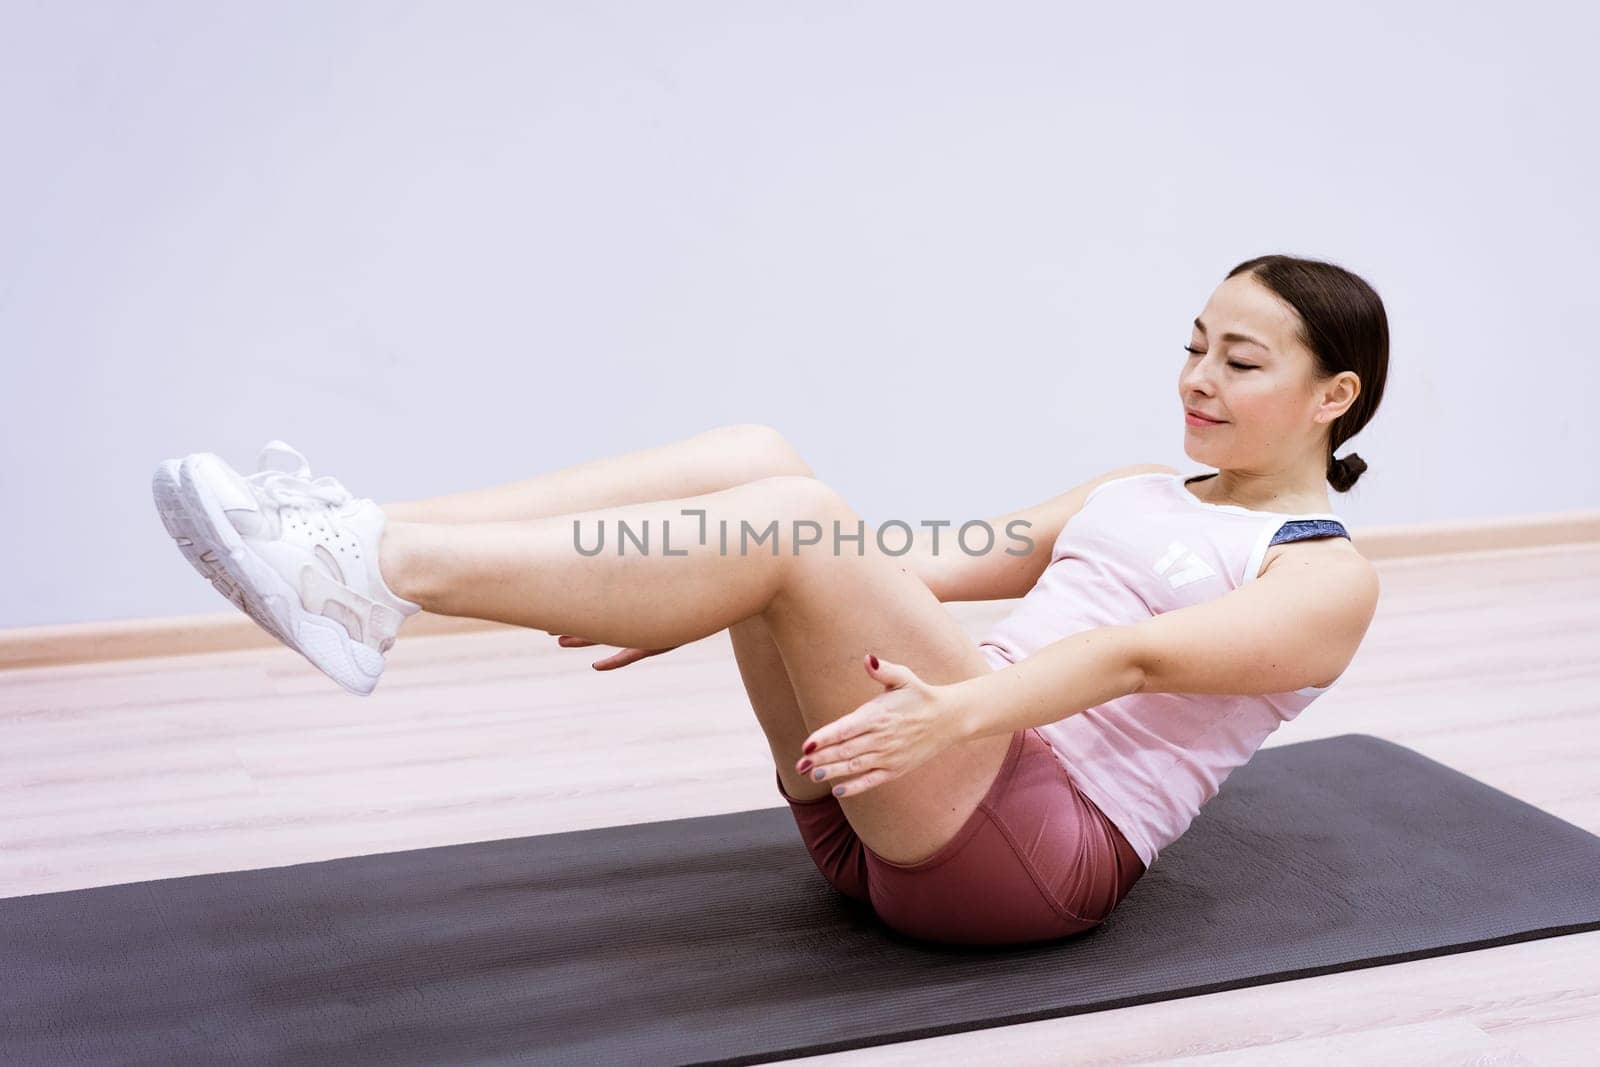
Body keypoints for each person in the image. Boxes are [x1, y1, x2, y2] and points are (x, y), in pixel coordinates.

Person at [151, 252, 1386, 946]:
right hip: (884, 790)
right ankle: (371, 541)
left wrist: (958, 716)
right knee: (761, 464)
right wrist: (683, 570)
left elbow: (1138, 662)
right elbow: (934, 557)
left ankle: (378, 573)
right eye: (1191, 344)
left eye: (1239, 359)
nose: (1195, 378)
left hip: (1014, 854)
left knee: (791, 519)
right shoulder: (1134, 487)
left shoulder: (1323, 572)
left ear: (1332, 396)